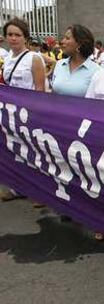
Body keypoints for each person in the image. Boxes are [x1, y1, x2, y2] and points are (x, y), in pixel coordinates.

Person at [0, 18, 46, 202]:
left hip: (30, 115)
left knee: (34, 153)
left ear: (25, 38)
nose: (13, 38)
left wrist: (34, 114)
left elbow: (40, 90)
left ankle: (39, 191)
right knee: (16, 151)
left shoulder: (34, 58)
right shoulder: (7, 59)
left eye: (17, 35)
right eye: (10, 34)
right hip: (12, 114)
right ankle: (18, 187)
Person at [52, 24, 100, 97]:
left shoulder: (96, 71)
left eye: (67, 38)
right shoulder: (59, 64)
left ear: (79, 44)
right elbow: (53, 94)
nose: (62, 41)